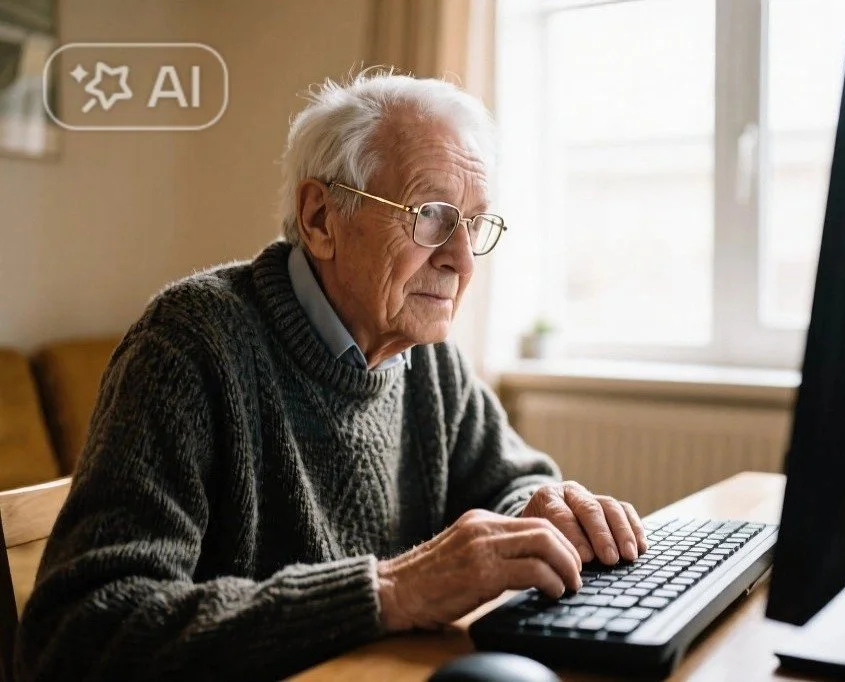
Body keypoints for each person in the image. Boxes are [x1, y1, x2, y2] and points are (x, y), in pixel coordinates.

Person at [14, 72, 647, 681]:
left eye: (474, 223)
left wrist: (545, 517)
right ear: (320, 218)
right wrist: (389, 591)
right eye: (431, 215)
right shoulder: (190, 342)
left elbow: (516, 484)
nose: (460, 260)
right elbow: (79, 634)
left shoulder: (429, 355)